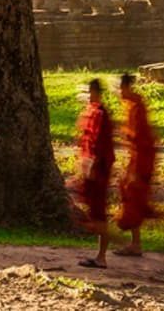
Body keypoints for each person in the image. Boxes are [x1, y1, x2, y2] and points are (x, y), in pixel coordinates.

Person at [114, 73, 157, 257]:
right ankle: (135, 243)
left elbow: (141, 140)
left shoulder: (137, 108)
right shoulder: (132, 106)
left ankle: (136, 243)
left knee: (134, 200)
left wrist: (136, 171)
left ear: (127, 88)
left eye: (120, 88)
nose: (118, 92)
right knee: (132, 199)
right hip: (136, 159)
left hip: (141, 161)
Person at [74, 78, 115, 269]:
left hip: (98, 170)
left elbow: (99, 143)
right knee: (92, 211)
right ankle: (101, 254)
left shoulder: (101, 114)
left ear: (98, 93)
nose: (90, 96)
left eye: (93, 92)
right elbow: (86, 139)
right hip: (90, 167)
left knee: (99, 213)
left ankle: (102, 257)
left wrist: (91, 165)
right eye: (88, 92)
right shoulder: (91, 111)